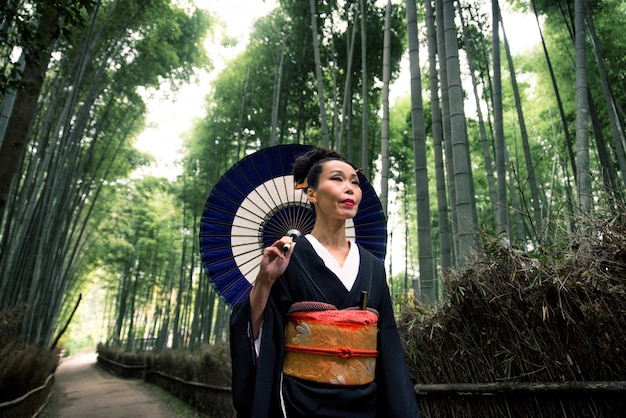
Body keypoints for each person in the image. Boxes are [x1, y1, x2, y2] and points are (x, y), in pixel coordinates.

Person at [230, 147, 421, 418]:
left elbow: (388, 346)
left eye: (354, 182)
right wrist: (265, 280)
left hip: (365, 404)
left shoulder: (372, 267)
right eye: (337, 179)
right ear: (311, 193)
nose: (350, 188)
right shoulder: (288, 257)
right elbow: (261, 332)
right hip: (300, 403)